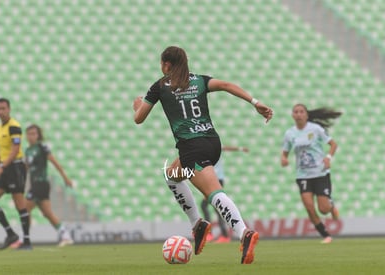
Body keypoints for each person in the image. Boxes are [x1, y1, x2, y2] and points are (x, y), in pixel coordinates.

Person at [133, 46, 273, 264]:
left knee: (213, 193)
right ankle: (197, 223)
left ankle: (243, 232)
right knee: (171, 175)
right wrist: (255, 102)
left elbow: (138, 119)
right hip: (212, 143)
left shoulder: (160, 86)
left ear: (166, 65)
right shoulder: (198, 80)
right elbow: (226, 85)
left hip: (191, 147)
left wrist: (137, 106)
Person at [281, 104, 341, 244]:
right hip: (303, 175)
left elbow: (333, 144)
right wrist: (284, 159)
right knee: (309, 206)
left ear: (306, 115)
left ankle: (331, 206)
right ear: (292, 115)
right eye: (296, 112)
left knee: (323, 209)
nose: (299, 114)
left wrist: (328, 158)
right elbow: (285, 153)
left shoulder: (315, 129)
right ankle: (326, 235)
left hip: (320, 173)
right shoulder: (289, 134)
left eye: (301, 112)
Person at [0, 98, 31, 250]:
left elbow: (14, 149)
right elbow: (1, 151)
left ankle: (27, 241)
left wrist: (2, 167)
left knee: (19, 204)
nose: (0, 112)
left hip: (15, 167)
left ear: (9, 109)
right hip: (4, 169)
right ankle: (11, 234)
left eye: (3, 108)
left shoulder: (14, 126)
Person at [23, 124, 74, 247]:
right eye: (29, 134)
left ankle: (26, 238)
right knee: (47, 213)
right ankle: (66, 235)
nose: (31, 136)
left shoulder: (42, 147)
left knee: (25, 208)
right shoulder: (28, 150)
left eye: (34, 134)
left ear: (38, 135)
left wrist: (65, 178)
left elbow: (55, 162)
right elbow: (26, 168)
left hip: (41, 183)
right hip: (35, 184)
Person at [202, 146, 249, 243]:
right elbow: (226, 148)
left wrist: (240, 149)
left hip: (215, 179)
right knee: (215, 207)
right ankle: (222, 235)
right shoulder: (210, 147)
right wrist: (240, 149)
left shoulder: (209, 147)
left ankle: (213, 234)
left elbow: (226, 148)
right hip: (215, 178)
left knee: (208, 206)